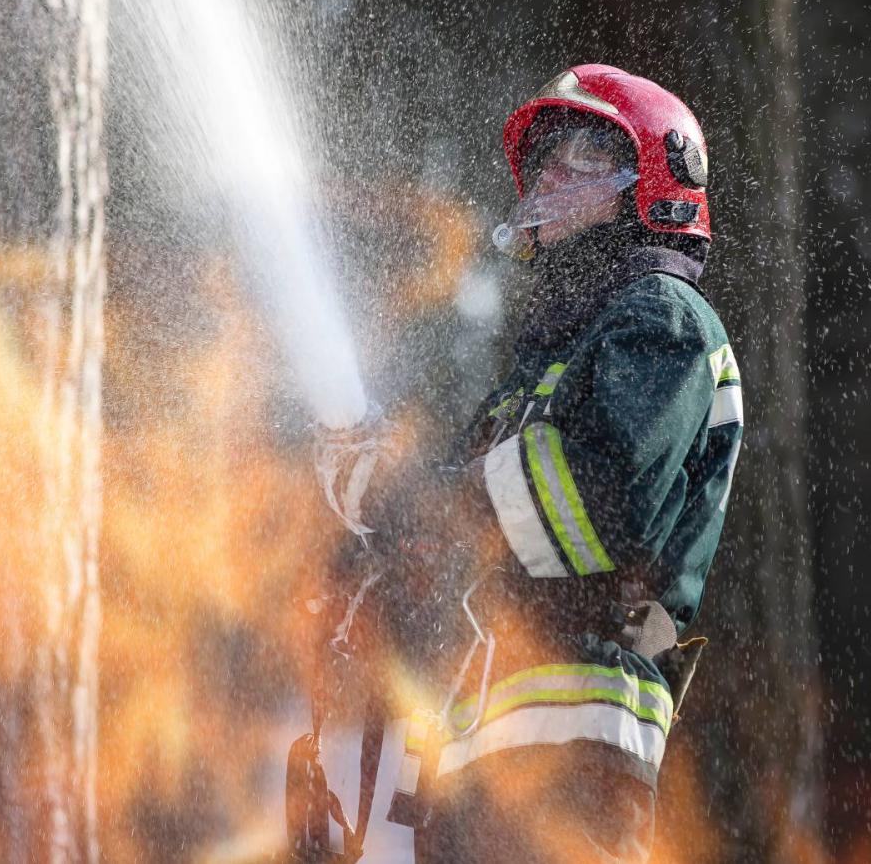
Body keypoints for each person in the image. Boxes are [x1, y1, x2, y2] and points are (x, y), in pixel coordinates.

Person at [315, 64, 743, 864]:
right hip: (481, 745)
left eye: (581, 152)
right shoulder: (539, 375)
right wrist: (369, 493)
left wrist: (409, 502)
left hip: (572, 735)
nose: (546, 176)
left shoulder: (665, 318)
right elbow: (439, 528)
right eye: (543, 157)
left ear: (656, 176)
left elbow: (596, 499)